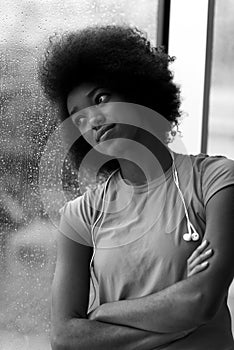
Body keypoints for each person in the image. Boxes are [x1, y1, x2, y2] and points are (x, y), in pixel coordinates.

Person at [39, 25, 234, 349]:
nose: (93, 120)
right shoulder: (80, 216)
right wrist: (180, 313)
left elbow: (201, 298)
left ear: (138, 90)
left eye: (101, 98)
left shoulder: (215, 180)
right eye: (79, 119)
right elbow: (65, 337)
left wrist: (104, 313)